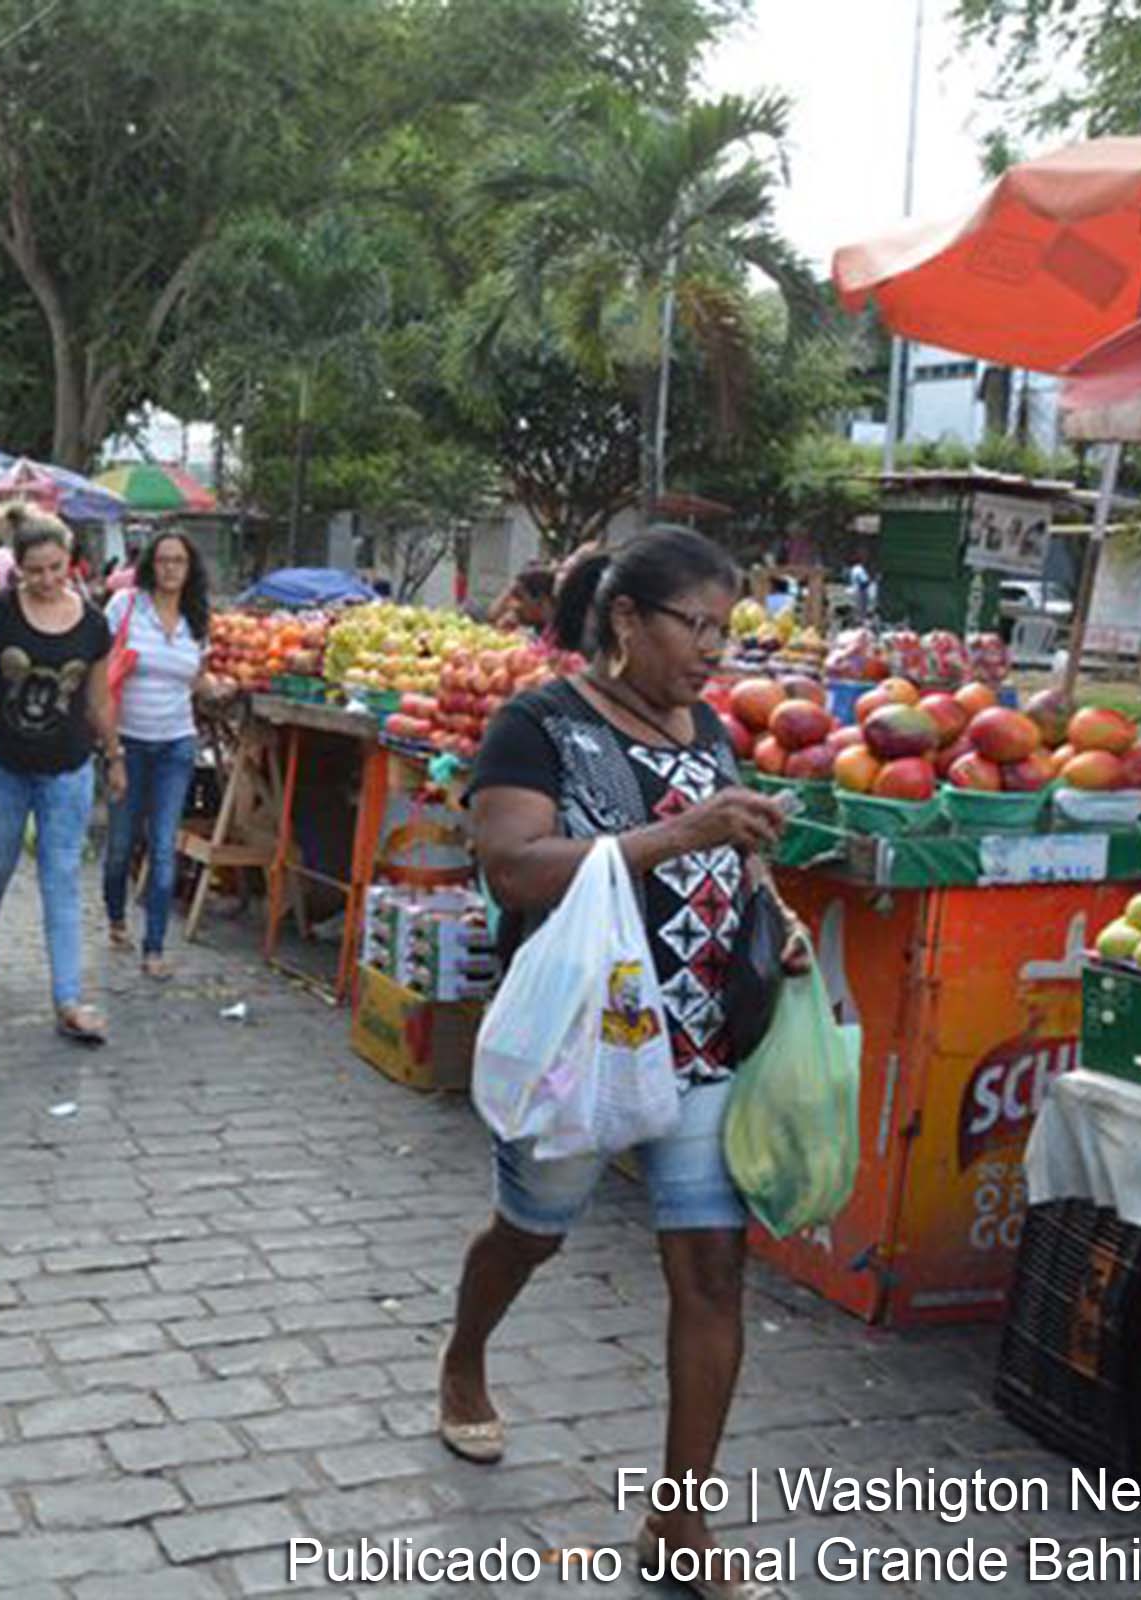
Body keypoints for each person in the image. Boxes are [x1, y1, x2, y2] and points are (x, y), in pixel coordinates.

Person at [437, 528, 808, 1599]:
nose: (712, 651)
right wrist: (676, 832)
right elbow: (512, 868)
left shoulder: (710, 730)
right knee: (530, 1235)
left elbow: (728, 867)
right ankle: (465, 1354)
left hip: (701, 1043)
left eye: (726, 630)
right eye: (694, 625)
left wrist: (768, 919)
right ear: (626, 620)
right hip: (585, 1048)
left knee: (711, 1270)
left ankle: (680, 1521)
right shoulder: (537, 723)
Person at [0, 507, 118, 1045]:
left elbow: (99, 698)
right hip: (2, 765)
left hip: (69, 771)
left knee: (61, 879)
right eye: (36, 570)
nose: (48, 579)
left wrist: (115, 755)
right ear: (18, 570)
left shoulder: (95, 623)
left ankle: (68, 998)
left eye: (56, 568)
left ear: (70, 563)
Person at [101, 531, 212, 979]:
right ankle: (115, 916)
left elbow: (195, 677)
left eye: (179, 561)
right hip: (127, 742)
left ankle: (154, 946)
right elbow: (100, 672)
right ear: (151, 564)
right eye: (163, 560)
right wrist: (111, 750)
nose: (170, 569)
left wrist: (219, 689)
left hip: (176, 744)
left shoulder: (197, 619)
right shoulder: (125, 607)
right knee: (121, 845)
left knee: (164, 846)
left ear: (190, 569)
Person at [489, 564, 556, 631]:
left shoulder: (554, 623)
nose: (518, 602)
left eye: (520, 597)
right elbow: (492, 618)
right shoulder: (519, 610)